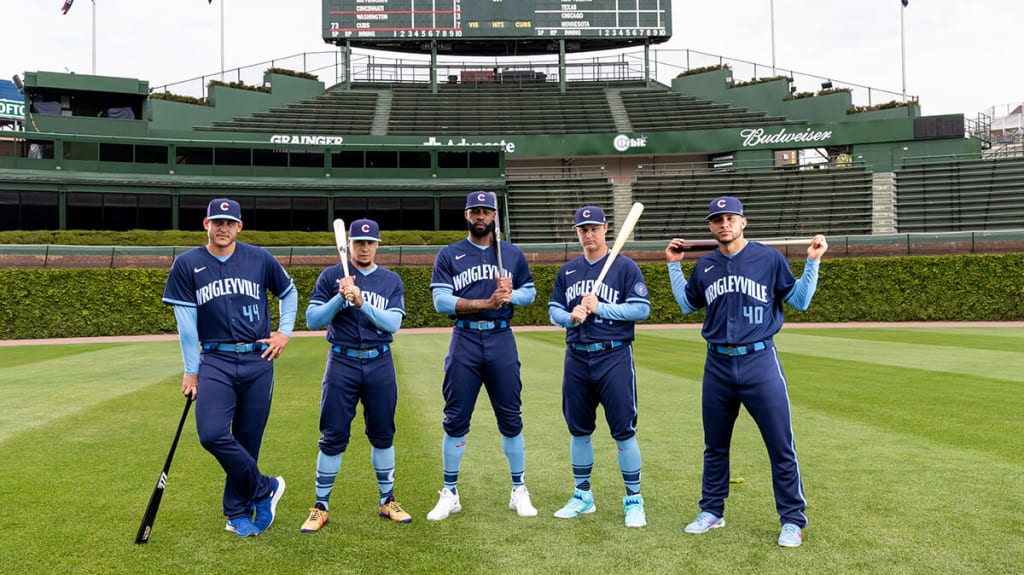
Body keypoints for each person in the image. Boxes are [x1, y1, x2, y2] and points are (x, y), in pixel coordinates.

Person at [665, 195, 828, 548]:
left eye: (730, 218)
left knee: (780, 444)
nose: (724, 224)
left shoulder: (768, 258)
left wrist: (812, 262)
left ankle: (791, 520)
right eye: (717, 219)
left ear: (743, 222)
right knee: (715, 446)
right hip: (717, 364)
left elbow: (799, 300)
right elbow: (685, 304)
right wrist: (674, 266)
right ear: (710, 226)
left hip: (760, 362)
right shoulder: (705, 265)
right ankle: (712, 510)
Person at [162, 197, 296, 538]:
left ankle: (236, 512)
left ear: (240, 226)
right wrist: (191, 371)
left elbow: (289, 292)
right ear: (205, 223)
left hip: (257, 358)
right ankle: (265, 487)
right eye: (217, 221)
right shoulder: (187, 264)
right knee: (212, 434)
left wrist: (284, 332)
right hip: (216, 360)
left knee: (248, 439)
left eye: (230, 222)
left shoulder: (259, 258)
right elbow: (186, 325)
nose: (223, 228)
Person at [426, 190, 538, 521]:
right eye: (475, 210)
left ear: (494, 216)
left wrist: (511, 294)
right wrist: (484, 303)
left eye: (486, 211)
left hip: (501, 337)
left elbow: (530, 293)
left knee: (511, 416)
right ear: (466, 215)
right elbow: (441, 302)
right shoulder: (449, 254)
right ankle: (450, 492)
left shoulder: (512, 254)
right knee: (456, 418)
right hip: (465, 339)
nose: (480, 216)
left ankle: (518, 489)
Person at [300, 218, 412, 532]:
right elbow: (312, 320)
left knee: (382, 433)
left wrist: (360, 302)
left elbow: (392, 324)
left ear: (377, 245)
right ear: (349, 244)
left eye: (369, 242)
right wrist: (340, 297)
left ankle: (387, 500)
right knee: (333, 435)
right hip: (342, 362)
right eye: (358, 242)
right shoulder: (330, 276)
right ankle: (321, 506)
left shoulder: (390, 280)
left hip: (379, 362)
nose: (364, 248)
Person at [548, 205, 651, 528]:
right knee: (579, 430)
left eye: (593, 228)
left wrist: (601, 308)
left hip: (614, 355)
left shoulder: (625, 267)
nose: (588, 234)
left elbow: (641, 309)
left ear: (606, 228)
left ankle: (634, 500)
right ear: (577, 232)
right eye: (582, 229)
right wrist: (571, 317)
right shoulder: (568, 271)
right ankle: (582, 496)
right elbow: (554, 310)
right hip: (577, 355)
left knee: (623, 430)